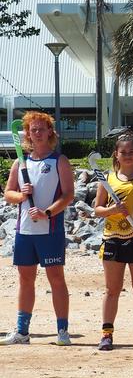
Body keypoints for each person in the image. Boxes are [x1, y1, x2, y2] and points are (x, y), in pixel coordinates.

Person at [1, 111, 74, 346]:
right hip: (25, 231)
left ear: (50, 131)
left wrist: (48, 212)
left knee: (56, 279)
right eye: (33, 130)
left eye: (42, 129)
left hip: (50, 230)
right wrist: (22, 195)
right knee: (25, 280)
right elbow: (8, 194)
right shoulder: (20, 162)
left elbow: (68, 194)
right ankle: (22, 331)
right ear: (28, 134)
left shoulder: (59, 160)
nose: (38, 133)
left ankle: (62, 331)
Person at [94, 132, 133, 351]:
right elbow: (98, 210)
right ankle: (107, 334)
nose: (128, 155)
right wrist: (112, 210)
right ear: (116, 154)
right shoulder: (107, 179)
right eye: (124, 152)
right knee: (112, 290)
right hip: (113, 239)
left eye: (132, 152)